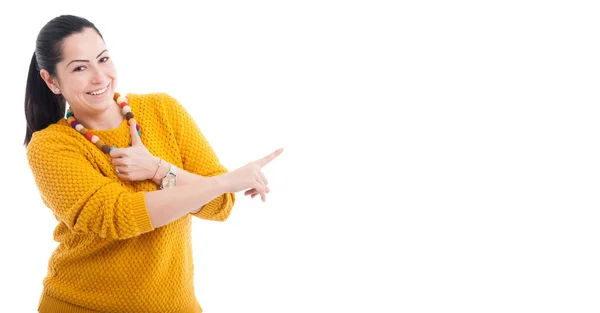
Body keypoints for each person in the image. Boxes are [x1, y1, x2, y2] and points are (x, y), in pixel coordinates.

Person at [24, 14, 284, 313]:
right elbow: (117, 217)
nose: (99, 77)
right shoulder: (51, 145)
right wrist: (224, 181)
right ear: (51, 80)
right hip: (82, 306)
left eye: (103, 59)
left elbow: (219, 206)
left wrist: (159, 170)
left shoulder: (162, 110)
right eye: (80, 67)